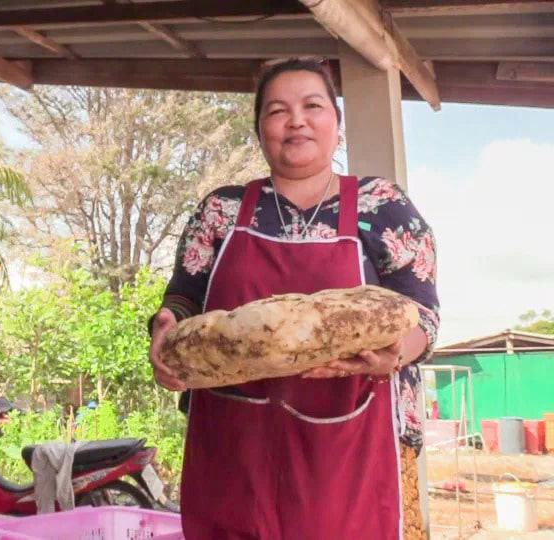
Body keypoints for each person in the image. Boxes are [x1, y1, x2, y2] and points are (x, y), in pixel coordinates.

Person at [148, 59, 439, 539]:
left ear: (336, 125)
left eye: (312, 106)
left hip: (350, 454)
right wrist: (164, 329)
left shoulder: (381, 205)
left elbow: (422, 312)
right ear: (260, 130)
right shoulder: (220, 210)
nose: (296, 120)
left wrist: (394, 351)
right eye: (278, 110)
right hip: (233, 451)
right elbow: (184, 298)